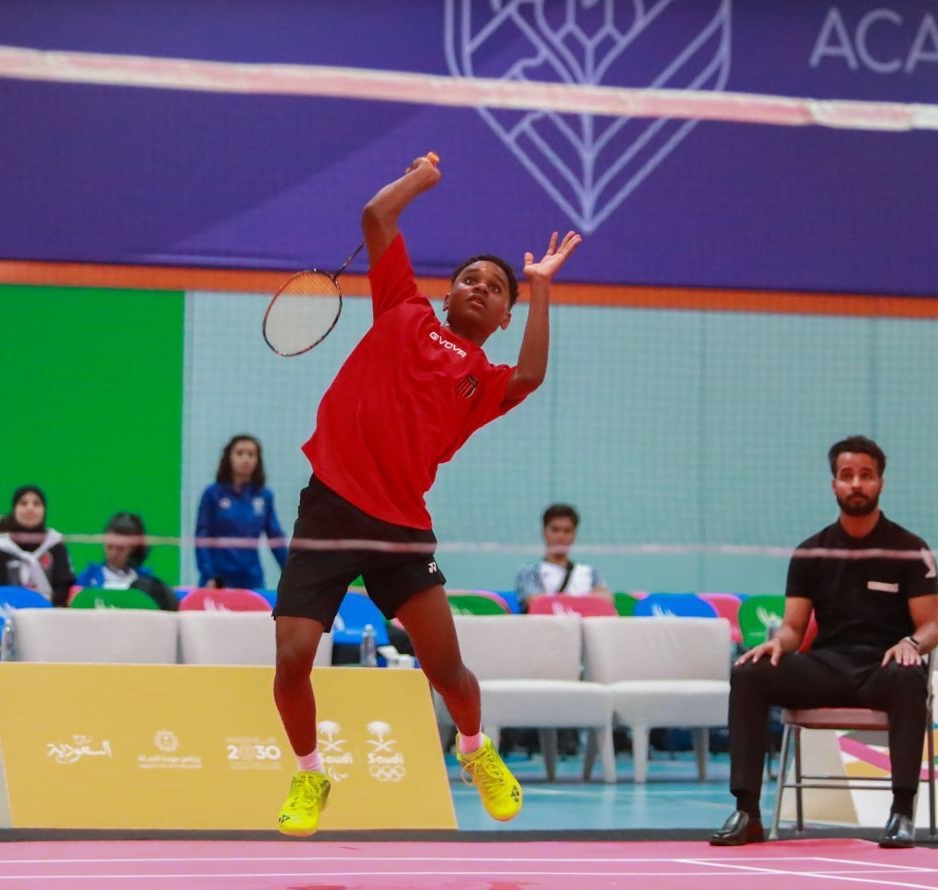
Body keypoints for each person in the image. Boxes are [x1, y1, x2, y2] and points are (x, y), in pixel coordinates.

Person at [271, 152, 581, 837]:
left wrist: (539, 286)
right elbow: (376, 216)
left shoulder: (485, 381)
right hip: (330, 506)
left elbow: (531, 374)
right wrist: (420, 179)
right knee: (292, 658)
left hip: (401, 529)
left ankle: (474, 749)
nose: (481, 288)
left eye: (496, 288)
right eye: (470, 278)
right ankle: (310, 773)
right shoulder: (403, 309)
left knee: (447, 670)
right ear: (446, 294)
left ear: (504, 315)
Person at [712, 435, 938, 850]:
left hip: (882, 668)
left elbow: (930, 629)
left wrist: (910, 642)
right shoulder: (811, 552)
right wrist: (777, 643)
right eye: (846, 475)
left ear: (881, 483)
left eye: (866, 475)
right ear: (834, 485)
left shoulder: (910, 551)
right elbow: (793, 629)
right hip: (828, 666)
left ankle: (902, 812)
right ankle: (748, 812)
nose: (856, 484)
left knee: (910, 676)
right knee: (749, 673)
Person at [195, 434, 286, 590]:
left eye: (251, 454)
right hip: (218, 580)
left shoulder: (264, 496)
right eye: (239, 453)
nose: (245, 459)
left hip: (252, 580)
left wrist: (291, 572)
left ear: (257, 460)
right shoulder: (212, 494)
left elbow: (275, 538)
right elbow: (202, 537)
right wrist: (208, 574)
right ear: (229, 458)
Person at [0, 485, 73, 607]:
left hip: (50, 614)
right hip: (9, 614)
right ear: (14, 510)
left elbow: (64, 588)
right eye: (23, 503)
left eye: (37, 504)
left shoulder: (55, 545)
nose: (30, 508)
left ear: (44, 510)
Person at [76, 512, 177, 610]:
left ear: (132, 548)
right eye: (109, 546)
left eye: (120, 548)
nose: (113, 553)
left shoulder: (146, 584)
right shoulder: (88, 578)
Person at [513, 504, 608, 607]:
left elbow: (606, 599)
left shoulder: (590, 571)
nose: (561, 536)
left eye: (567, 531)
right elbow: (535, 602)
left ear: (574, 535)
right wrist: (584, 600)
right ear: (544, 532)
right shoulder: (530, 571)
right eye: (555, 530)